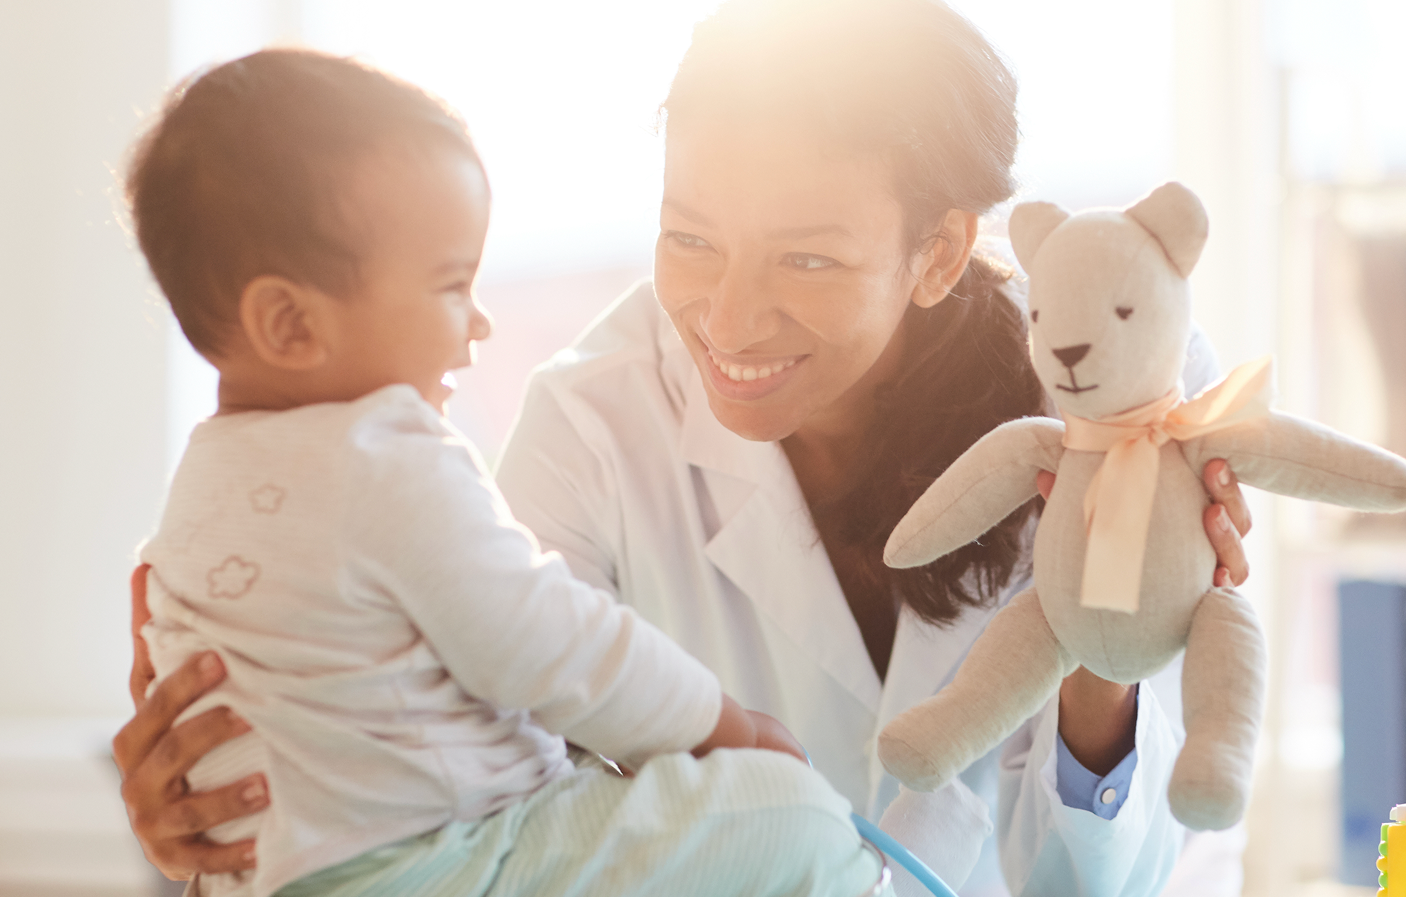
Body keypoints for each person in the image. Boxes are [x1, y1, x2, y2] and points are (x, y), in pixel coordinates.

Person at [113, 2, 1255, 895]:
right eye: (689, 239)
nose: (726, 317)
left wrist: (1108, 637)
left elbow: (1092, 883)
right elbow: (495, 789)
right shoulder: (588, 427)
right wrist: (271, 756)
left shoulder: (1110, 395)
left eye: (805, 260)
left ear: (939, 253)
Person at [122, 48, 894, 897]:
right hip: (443, 863)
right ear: (289, 323)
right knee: (791, 817)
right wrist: (725, 723)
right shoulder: (386, 457)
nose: (481, 322)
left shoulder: (197, 499)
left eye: (809, 255)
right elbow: (552, 642)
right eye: (453, 286)